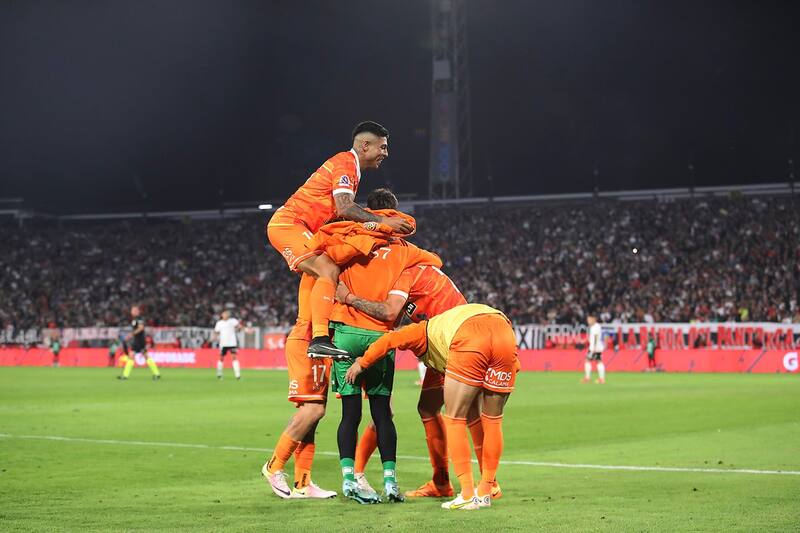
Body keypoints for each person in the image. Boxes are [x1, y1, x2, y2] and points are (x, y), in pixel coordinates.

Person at [338, 263, 502, 500]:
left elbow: (389, 313)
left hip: (455, 340)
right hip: (450, 336)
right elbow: (397, 317)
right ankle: (443, 482)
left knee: (467, 411)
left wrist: (349, 299)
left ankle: (488, 483)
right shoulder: (417, 273)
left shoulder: (406, 273)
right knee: (429, 407)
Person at [321, 189, 439, 504]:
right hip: (379, 337)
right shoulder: (405, 249)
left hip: (346, 331)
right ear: (395, 213)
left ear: (368, 210)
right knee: (382, 414)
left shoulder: (351, 238)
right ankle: (390, 482)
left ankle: (349, 480)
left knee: (350, 414)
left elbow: (323, 257)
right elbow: (436, 261)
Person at [345, 303, 519, 511]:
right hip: (504, 331)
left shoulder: (419, 331)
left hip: (469, 335)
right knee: (493, 420)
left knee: (455, 418)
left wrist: (362, 363)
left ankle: (466, 494)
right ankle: (486, 490)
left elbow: (389, 339)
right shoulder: (442, 327)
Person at [266, 121, 413, 359]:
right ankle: (319, 340)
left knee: (323, 273)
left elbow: (339, 213)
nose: (386, 153)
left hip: (300, 227)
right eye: (383, 147)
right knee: (328, 269)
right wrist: (382, 221)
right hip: (289, 224)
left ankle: (317, 337)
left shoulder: (352, 169)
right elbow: (345, 207)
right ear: (365, 145)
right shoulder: (345, 163)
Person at [118, 306, 161, 381]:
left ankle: (125, 376)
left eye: (134, 310)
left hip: (140, 340)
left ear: (138, 311)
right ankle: (157, 374)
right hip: (137, 340)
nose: (132, 312)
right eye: (132, 310)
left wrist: (132, 334)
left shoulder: (139, 319)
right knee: (137, 355)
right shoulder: (134, 320)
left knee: (138, 355)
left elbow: (141, 328)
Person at [213, 310, 242, 380]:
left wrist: (239, 329)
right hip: (223, 343)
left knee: (234, 357)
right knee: (221, 358)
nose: (225, 315)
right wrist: (215, 337)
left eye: (226, 314)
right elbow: (216, 331)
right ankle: (219, 374)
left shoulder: (233, 321)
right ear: (222, 315)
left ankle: (237, 375)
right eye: (224, 314)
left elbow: (239, 327)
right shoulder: (219, 323)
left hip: (232, 343)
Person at [582, 313, 605, 384]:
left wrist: (594, 348)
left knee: (589, 360)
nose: (588, 321)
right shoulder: (595, 326)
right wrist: (586, 340)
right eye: (587, 320)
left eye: (589, 320)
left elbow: (595, 337)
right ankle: (600, 379)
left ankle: (589, 378)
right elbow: (592, 337)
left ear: (594, 319)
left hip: (595, 348)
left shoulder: (595, 327)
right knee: (596, 361)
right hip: (595, 347)